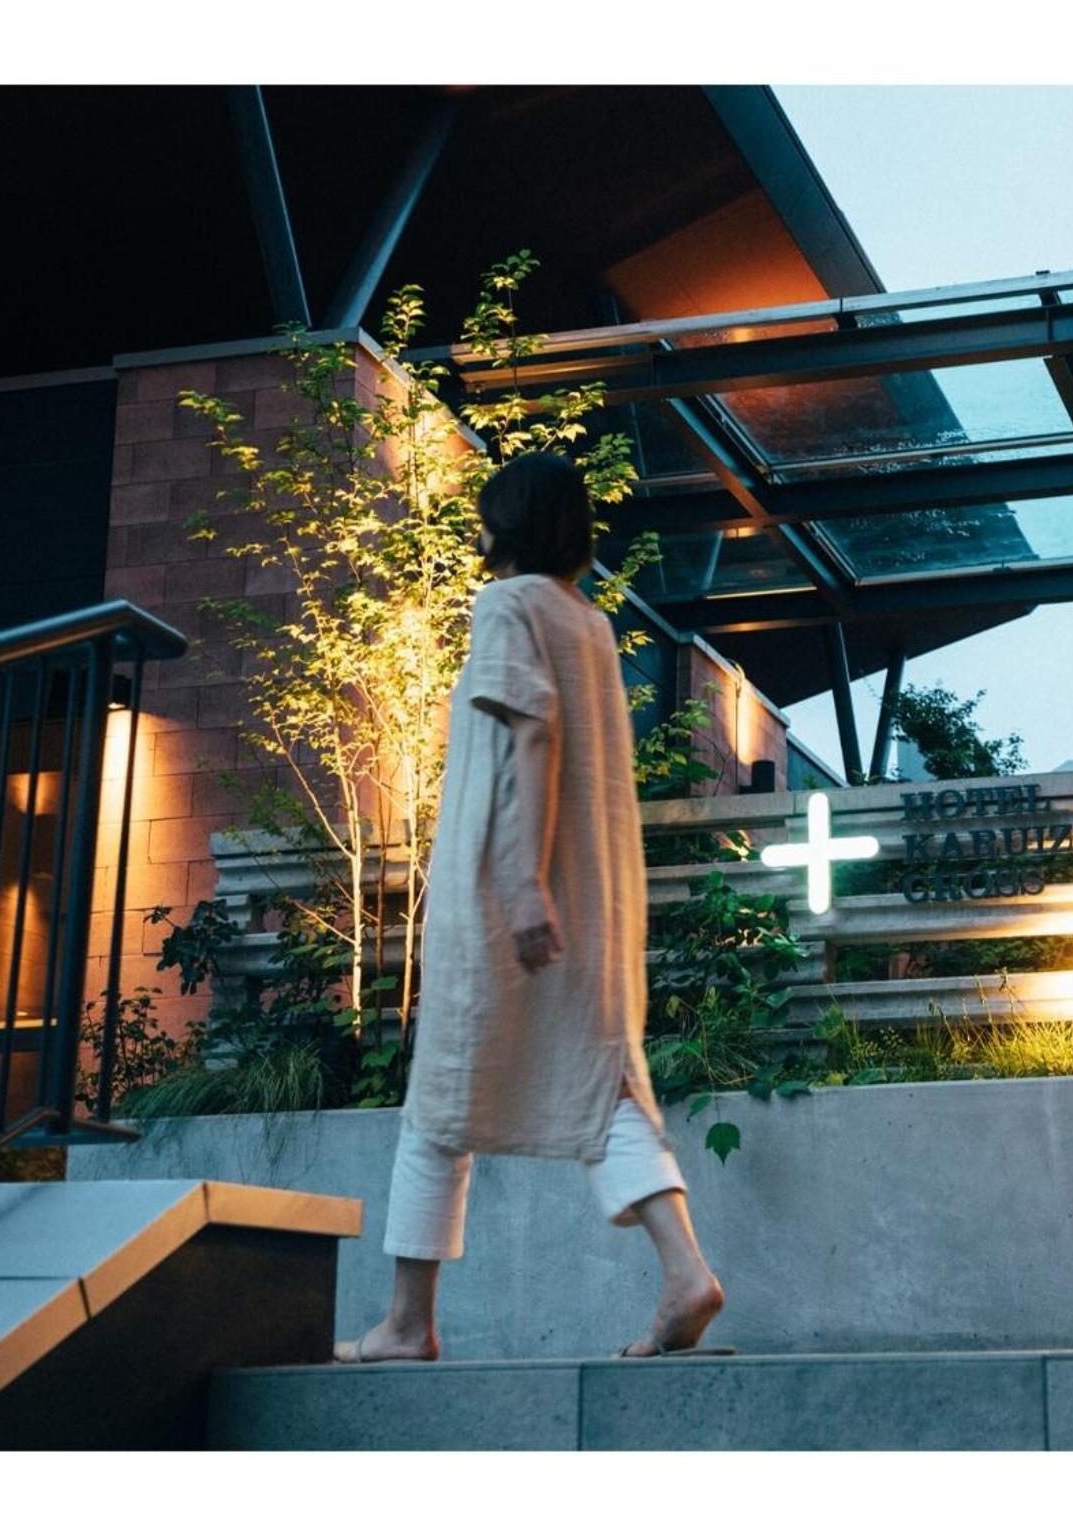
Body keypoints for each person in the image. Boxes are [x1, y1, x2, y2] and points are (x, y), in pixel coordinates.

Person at [335, 451, 725, 1363]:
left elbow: (531, 736)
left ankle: (409, 1323)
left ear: (506, 524)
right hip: (593, 896)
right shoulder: (588, 622)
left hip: (506, 890)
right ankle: (684, 1273)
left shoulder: (507, 605)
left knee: (440, 1100)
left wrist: (519, 883)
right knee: (604, 1082)